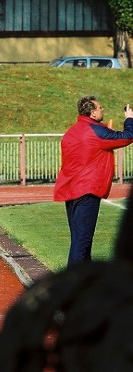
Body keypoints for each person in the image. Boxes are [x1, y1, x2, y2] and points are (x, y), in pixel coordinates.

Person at [54, 97, 133, 267]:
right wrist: (129, 119)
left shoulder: (72, 131)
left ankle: (83, 283)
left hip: (71, 189)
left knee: (80, 239)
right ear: (92, 112)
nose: (103, 110)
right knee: (81, 242)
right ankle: (72, 285)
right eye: (100, 108)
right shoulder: (94, 131)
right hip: (87, 190)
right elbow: (127, 137)